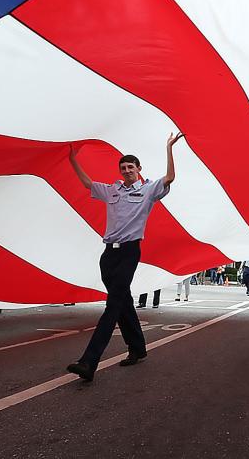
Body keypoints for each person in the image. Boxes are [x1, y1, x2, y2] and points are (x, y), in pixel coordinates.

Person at [65, 132, 184, 382]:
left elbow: (170, 177)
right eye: (123, 167)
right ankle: (138, 347)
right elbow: (88, 184)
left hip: (130, 251)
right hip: (109, 254)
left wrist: (169, 147)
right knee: (123, 302)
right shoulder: (112, 191)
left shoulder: (149, 189)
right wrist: (72, 160)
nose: (127, 170)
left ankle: (89, 361)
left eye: (131, 166)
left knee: (112, 305)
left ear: (139, 169)